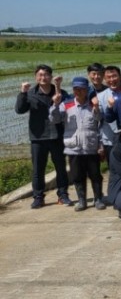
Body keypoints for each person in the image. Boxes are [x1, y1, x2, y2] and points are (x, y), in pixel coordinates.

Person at [15, 64, 72, 208]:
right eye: (40, 75)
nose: (43, 77)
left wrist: (58, 87)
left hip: (57, 136)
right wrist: (22, 92)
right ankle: (38, 197)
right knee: (38, 169)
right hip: (37, 137)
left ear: (51, 77)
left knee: (60, 167)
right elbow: (19, 110)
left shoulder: (60, 92)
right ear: (36, 77)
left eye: (46, 75)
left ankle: (63, 195)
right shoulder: (30, 93)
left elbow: (69, 108)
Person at [51, 77, 104, 211]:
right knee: (77, 175)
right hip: (74, 148)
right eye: (76, 89)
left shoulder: (93, 104)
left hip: (91, 146)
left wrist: (97, 107)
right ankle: (82, 200)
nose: (78, 91)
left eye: (81, 89)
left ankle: (98, 198)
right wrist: (55, 105)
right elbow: (55, 119)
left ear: (87, 90)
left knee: (95, 175)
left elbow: (100, 122)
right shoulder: (66, 104)